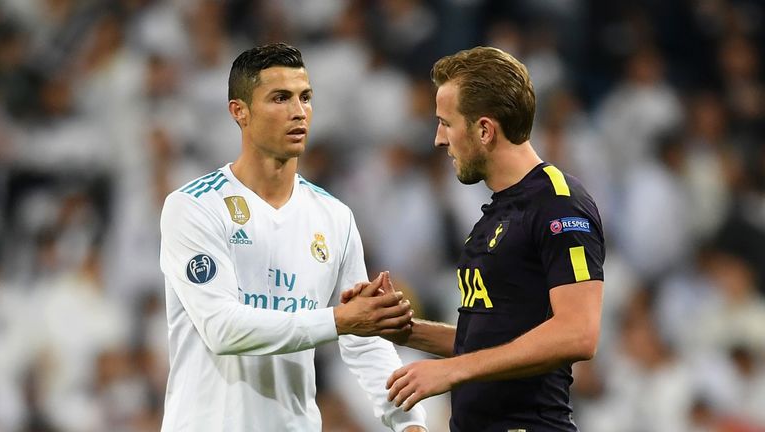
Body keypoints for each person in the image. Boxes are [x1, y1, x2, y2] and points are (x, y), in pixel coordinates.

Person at [159, 43, 427, 432]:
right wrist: (339, 319)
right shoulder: (194, 207)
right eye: (280, 98)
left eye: (305, 98)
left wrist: (409, 423)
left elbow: (365, 337)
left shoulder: (334, 216)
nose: (298, 111)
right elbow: (222, 328)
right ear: (240, 111)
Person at [346, 46, 605, 431]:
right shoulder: (496, 213)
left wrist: (452, 370)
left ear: (484, 130)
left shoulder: (558, 204)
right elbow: (493, 343)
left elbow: (578, 333)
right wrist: (398, 327)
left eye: (446, 123)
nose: (438, 139)